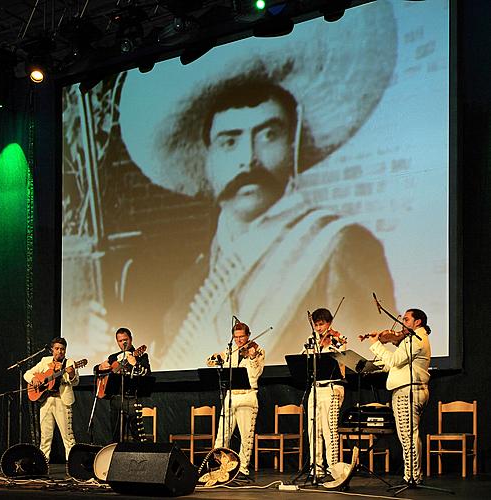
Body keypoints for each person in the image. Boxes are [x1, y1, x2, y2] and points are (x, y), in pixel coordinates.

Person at [89, 1, 398, 370]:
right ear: (207, 157)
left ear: (292, 142)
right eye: (229, 141)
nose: (248, 159)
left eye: (268, 134)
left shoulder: (341, 245)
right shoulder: (191, 278)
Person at [362, 308, 431, 485]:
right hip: (410, 390)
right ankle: (413, 475)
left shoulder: (416, 339)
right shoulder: (412, 339)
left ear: (418, 322)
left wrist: (377, 344)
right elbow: (395, 365)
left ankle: (413, 477)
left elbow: (393, 361)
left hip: (408, 391)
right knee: (409, 435)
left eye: (407, 320)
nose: (403, 324)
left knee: (408, 436)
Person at [207, 321, 264, 481]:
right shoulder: (230, 351)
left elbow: (255, 374)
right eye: (236, 337)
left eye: (242, 336)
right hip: (230, 396)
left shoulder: (258, 351)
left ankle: (243, 469)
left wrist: (252, 357)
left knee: (246, 436)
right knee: (222, 435)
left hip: (247, 396)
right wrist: (216, 357)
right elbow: (210, 362)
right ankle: (222, 467)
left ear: (248, 336)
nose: (239, 340)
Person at [305, 308, 346, 478]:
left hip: (332, 388)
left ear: (329, 323)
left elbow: (341, 355)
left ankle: (334, 469)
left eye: (322, 324)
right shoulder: (312, 340)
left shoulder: (338, 338)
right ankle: (316, 468)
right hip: (316, 389)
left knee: (330, 431)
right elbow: (304, 360)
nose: (319, 328)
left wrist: (330, 343)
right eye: (316, 325)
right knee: (314, 430)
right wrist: (313, 349)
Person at [24, 337, 79, 462]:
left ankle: (72, 465)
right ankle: (42, 465)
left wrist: (71, 374)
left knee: (68, 437)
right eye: (57, 349)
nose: (60, 352)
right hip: (46, 401)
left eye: (62, 349)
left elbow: (75, 382)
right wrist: (34, 379)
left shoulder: (69, 362)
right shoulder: (45, 361)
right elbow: (27, 374)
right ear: (52, 349)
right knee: (45, 437)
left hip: (62, 400)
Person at [96, 327, 151, 442]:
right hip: (116, 399)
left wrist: (135, 364)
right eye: (120, 341)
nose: (123, 343)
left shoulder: (141, 356)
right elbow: (98, 372)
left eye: (125, 339)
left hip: (132, 399)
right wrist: (99, 367)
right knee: (116, 435)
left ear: (131, 339)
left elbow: (146, 373)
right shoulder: (113, 357)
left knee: (137, 434)